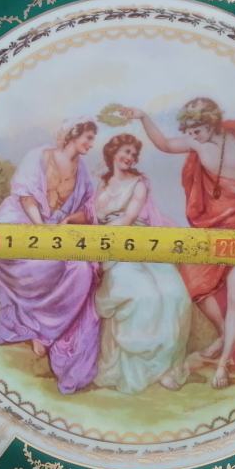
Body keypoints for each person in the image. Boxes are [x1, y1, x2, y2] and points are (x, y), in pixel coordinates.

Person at [121, 99, 235, 389]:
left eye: (196, 130)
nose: (192, 137)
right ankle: (225, 334)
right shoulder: (197, 144)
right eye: (189, 131)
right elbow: (164, 144)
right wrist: (143, 116)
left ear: (211, 123)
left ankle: (222, 365)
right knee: (192, 281)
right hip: (217, 227)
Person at [0, 118, 101, 394]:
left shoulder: (83, 171)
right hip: (22, 221)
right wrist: (43, 231)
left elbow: (89, 207)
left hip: (54, 231)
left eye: (92, 139)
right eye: (88, 138)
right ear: (73, 135)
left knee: (82, 270)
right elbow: (26, 198)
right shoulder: (39, 156)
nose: (91, 144)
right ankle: (31, 326)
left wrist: (68, 221)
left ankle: (47, 333)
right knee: (42, 262)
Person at [92, 134, 191, 394]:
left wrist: (98, 233)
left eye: (134, 155)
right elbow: (92, 215)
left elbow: (128, 219)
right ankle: (136, 369)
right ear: (113, 152)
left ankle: (165, 368)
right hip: (112, 249)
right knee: (142, 294)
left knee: (174, 293)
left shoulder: (138, 183)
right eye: (126, 151)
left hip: (139, 240)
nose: (130, 158)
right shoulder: (100, 183)